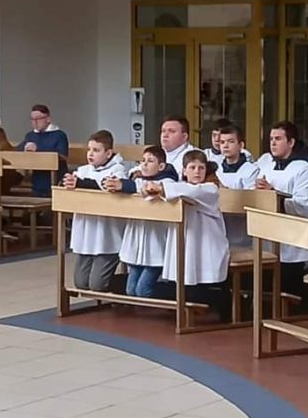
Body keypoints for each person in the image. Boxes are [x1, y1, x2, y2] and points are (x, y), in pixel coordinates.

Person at [155, 147, 231, 313]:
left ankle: (224, 305)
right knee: (183, 278)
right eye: (192, 167)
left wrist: (161, 188)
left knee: (198, 281)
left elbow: (191, 192)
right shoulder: (179, 187)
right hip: (185, 240)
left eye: (201, 168)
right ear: (184, 171)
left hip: (207, 243)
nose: (197, 172)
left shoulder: (210, 189)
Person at [254, 121, 308, 302]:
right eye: (271, 139)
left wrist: (272, 194)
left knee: (289, 282)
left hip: (295, 239)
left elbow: (303, 204)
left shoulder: (303, 170)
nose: (273, 143)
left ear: (291, 142)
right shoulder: (266, 167)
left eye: (278, 139)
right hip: (271, 237)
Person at [61, 130, 130, 293]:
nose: (90, 154)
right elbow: (72, 183)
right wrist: (67, 182)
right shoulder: (83, 170)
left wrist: (80, 183)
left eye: (96, 150)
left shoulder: (118, 170)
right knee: (81, 283)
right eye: (89, 149)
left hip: (107, 236)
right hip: (87, 236)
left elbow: (103, 186)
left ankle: (131, 286)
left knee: (97, 285)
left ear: (108, 153)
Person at [112, 143, 177, 296]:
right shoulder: (137, 177)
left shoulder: (168, 183)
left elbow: (147, 188)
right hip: (137, 239)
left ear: (161, 166)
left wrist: (124, 185)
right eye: (143, 160)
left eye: (150, 161)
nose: (145, 164)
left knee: (143, 291)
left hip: (155, 241)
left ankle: (176, 295)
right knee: (130, 291)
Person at [19, 103, 70, 196]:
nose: (35, 122)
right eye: (32, 119)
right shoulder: (30, 135)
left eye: (38, 119)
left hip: (55, 179)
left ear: (48, 119)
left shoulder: (59, 135)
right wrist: (24, 149)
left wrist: (38, 149)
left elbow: (63, 155)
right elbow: (18, 150)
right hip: (37, 181)